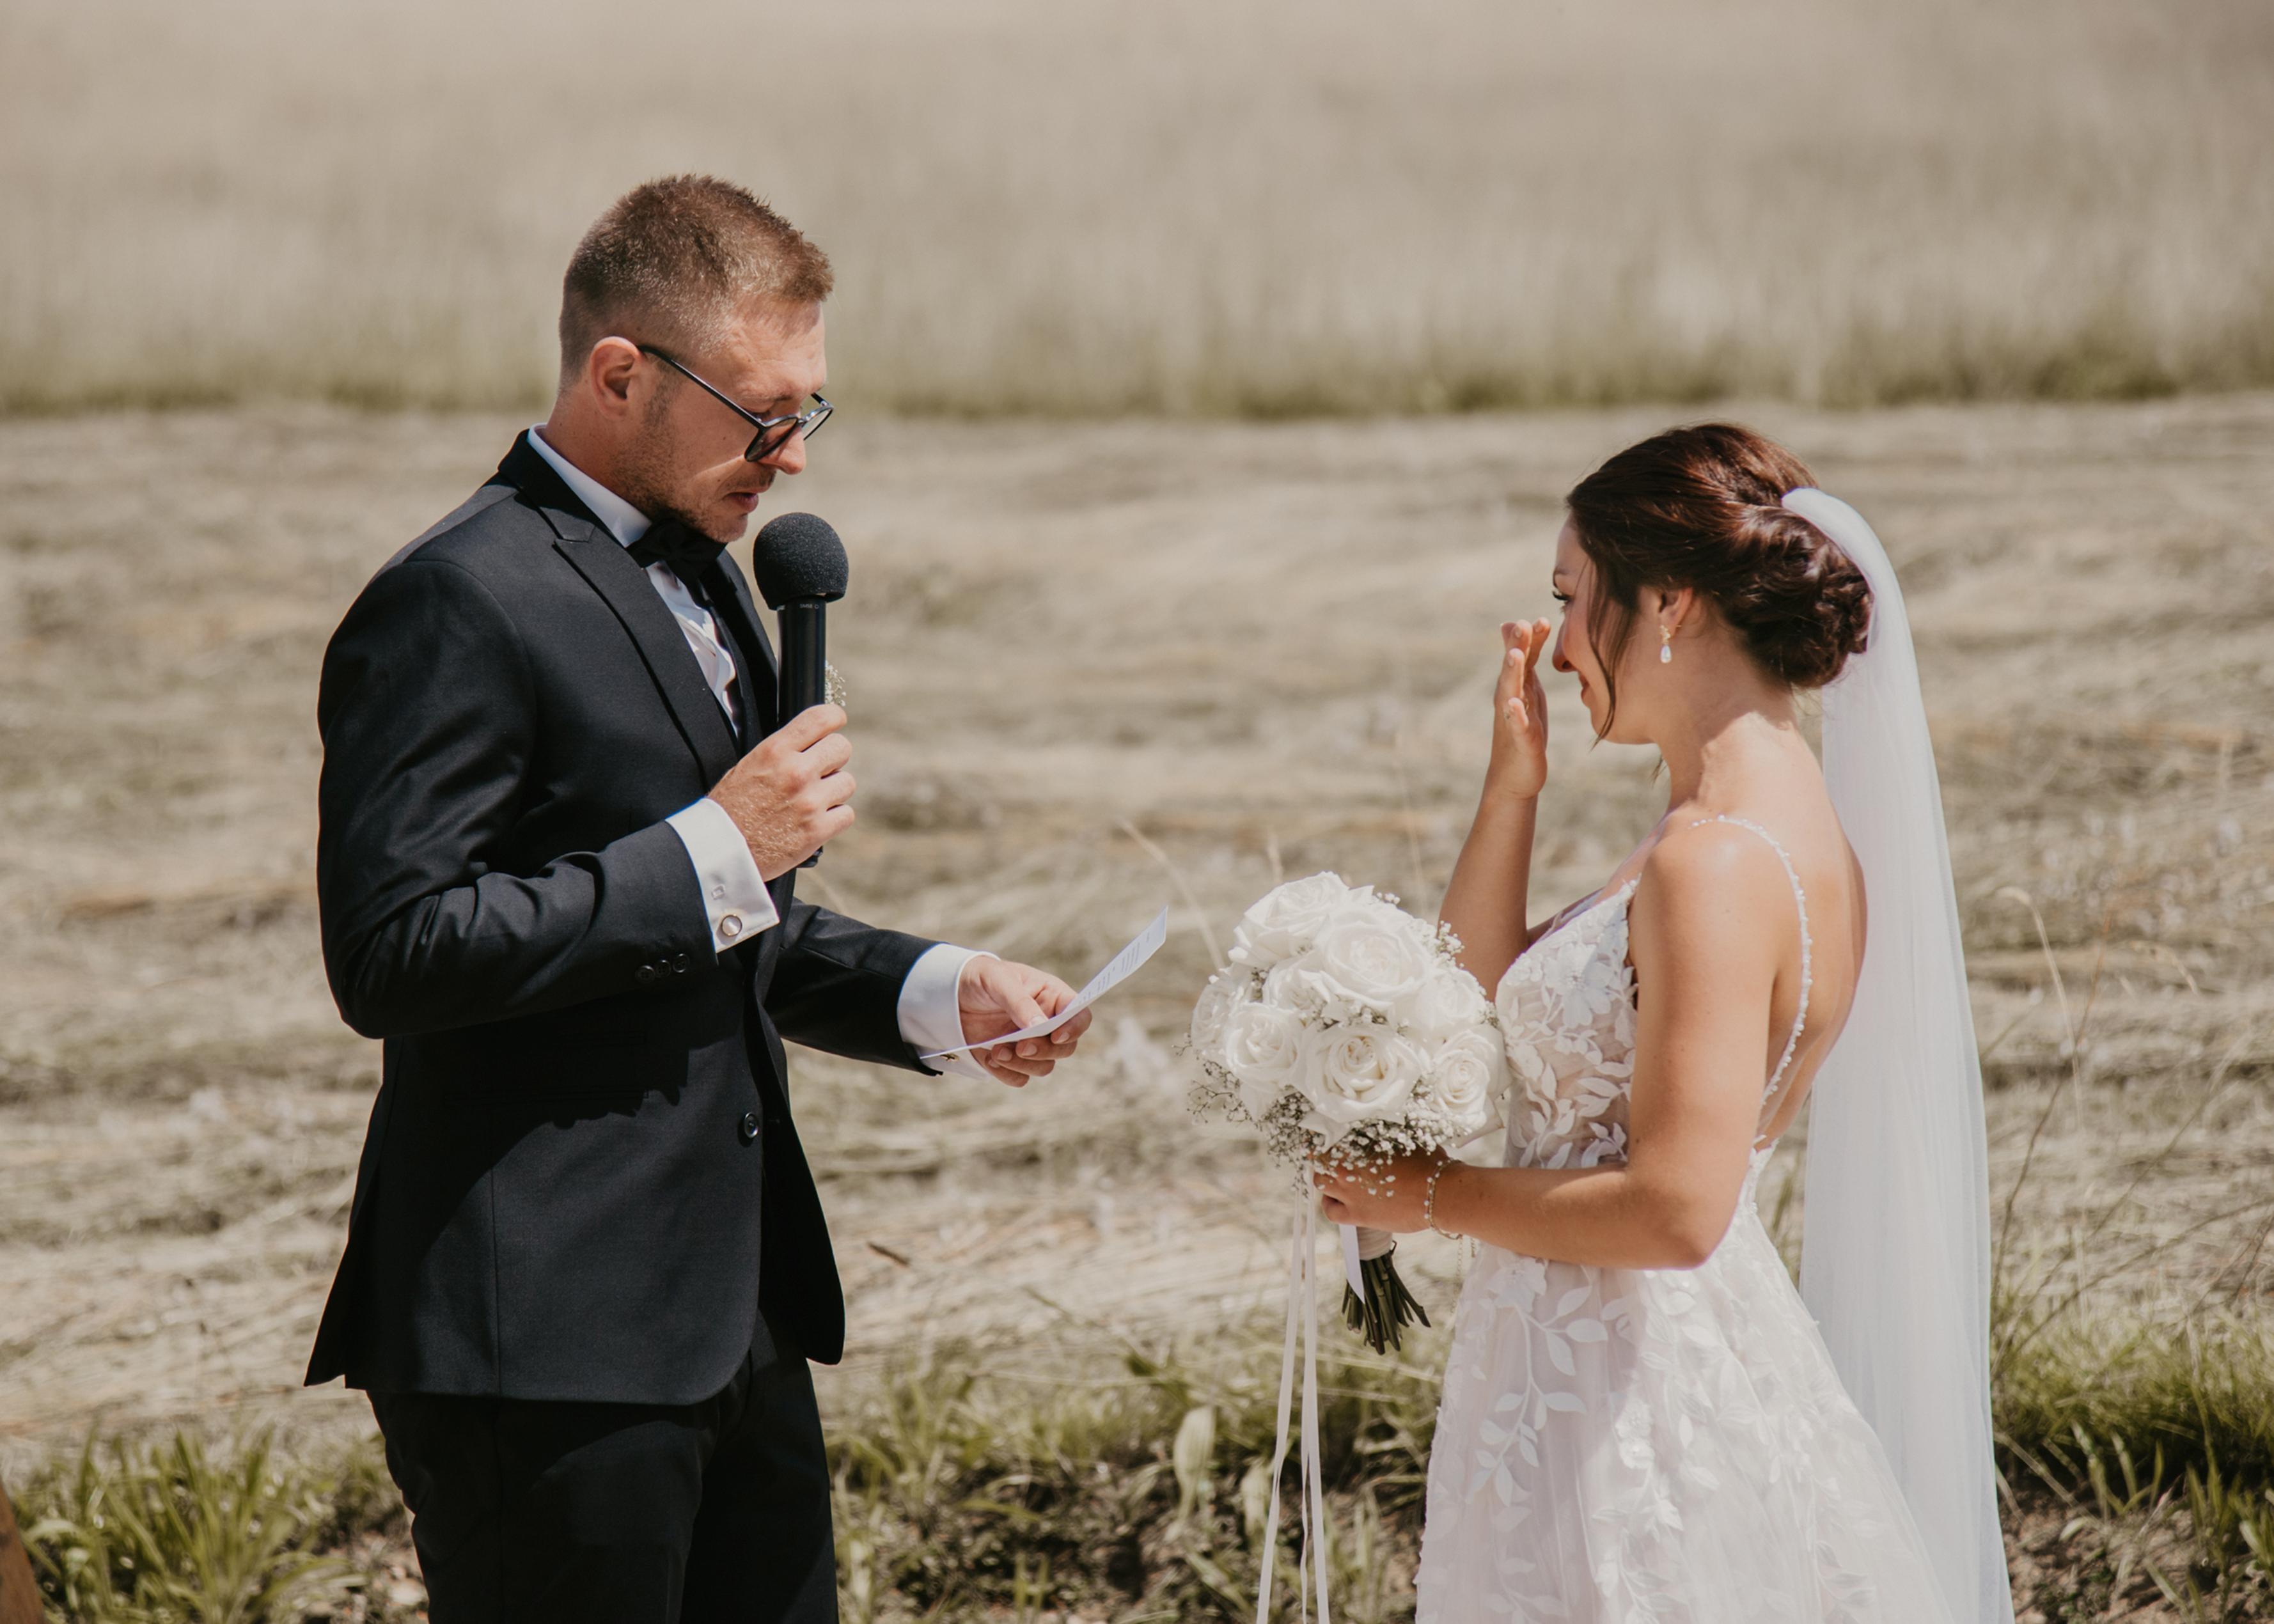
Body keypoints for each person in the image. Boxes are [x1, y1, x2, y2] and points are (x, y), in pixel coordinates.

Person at [305, 175, 1091, 1624]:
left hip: (735, 1319)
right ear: (620, 374)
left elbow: (730, 930)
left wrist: (934, 992)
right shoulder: (456, 599)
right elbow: (394, 950)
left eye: (810, 410)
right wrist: (714, 848)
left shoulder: (718, 580)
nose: (790, 456)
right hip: (544, 1346)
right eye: (760, 413)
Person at [1316, 424, 2013, 1621]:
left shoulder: (1714, 863)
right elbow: (1477, 995)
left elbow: (1677, 1209)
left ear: (1672, 601)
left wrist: (1423, 1195)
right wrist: (1513, 788)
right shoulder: (1754, 832)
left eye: (1572, 597)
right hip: (1602, 1365)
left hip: (1624, 1409)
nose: (1558, 645)